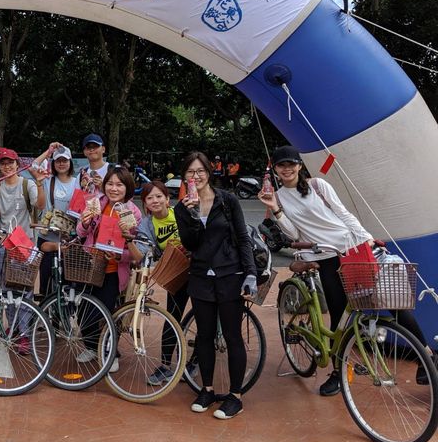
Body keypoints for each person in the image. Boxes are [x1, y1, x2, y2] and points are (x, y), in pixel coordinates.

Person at [258, 145, 433, 394]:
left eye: (291, 164)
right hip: (324, 256)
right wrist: (275, 209)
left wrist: (366, 239)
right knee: (340, 317)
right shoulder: (279, 197)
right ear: (274, 168)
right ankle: (338, 373)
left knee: (391, 301)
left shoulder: (318, 186)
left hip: (352, 250)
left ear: (299, 165)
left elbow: (344, 214)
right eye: (281, 165)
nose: (286, 169)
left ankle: (425, 356)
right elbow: (294, 234)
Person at [174, 151, 256, 420]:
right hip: (200, 277)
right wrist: (194, 215)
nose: (195, 176)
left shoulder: (228, 201)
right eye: (190, 172)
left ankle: (235, 396)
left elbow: (243, 238)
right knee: (204, 336)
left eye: (200, 171)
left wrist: (250, 274)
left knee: (233, 336)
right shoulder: (181, 207)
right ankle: (207, 390)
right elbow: (191, 244)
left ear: (209, 173)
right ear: (184, 176)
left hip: (230, 275)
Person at [76, 166, 142, 372]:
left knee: (107, 313)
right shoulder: (97, 202)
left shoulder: (133, 212)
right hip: (90, 265)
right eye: (110, 184)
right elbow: (80, 231)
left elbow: (135, 251)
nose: (114, 188)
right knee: (84, 311)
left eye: (119, 185)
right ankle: (92, 346)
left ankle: (110, 351)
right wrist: (85, 222)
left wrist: (119, 255)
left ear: (127, 187)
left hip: (114, 269)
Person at [0, 148, 47, 354]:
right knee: (7, 291)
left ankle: (25, 333)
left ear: (17, 164)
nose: (7, 166)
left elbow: (40, 204)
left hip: (25, 244)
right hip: (5, 244)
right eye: (3, 163)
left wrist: (39, 183)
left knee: (25, 291)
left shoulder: (26, 184)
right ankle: (13, 327)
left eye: (10, 163)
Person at [128, 180, 187, 386]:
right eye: (149, 198)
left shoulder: (180, 213)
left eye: (159, 196)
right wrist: (128, 240)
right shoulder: (146, 225)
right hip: (176, 272)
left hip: (197, 270)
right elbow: (140, 256)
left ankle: (194, 362)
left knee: (203, 316)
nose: (155, 201)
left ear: (168, 199)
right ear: (145, 203)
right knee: (173, 317)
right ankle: (165, 365)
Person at [30, 142, 76, 294]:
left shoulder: (77, 183)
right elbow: (32, 166)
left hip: (68, 238)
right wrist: (48, 151)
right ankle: (46, 314)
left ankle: (63, 316)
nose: (62, 164)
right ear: (53, 163)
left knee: (68, 283)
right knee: (46, 281)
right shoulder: (48, 179)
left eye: (65, 160)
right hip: (47, 237)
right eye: (58, 161)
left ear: (70, 162)